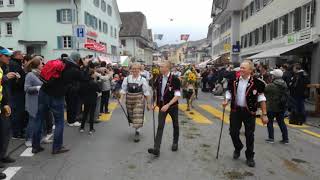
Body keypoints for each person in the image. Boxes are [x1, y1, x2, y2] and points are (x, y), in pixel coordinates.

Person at [32, 52, 83, 154]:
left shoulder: (58, 62)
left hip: (44, 92)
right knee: (59, 122)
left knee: (39, 119)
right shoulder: (74, 70)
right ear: (77, 60)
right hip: (57, 96)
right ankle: (57, 147)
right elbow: (83, 79)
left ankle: (35, 146)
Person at [222, 60, 268, 167]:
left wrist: (264, 114)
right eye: (240, 67)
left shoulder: (258, 83)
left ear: (250, 70)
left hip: (249, 112)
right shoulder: (233, 80)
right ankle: (238, 147)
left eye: (243, 68)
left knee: (249, 135)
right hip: (236, 110)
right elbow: (229, 92)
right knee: (233, 132)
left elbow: (261, 98)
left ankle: (250, 156)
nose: (241, 69)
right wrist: (226, 100)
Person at [148, 61, 181, 157]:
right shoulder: (158, 78)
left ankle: (175, 142)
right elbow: (155, 92)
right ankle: (156, 149)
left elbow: (177, 95)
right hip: (161, 106)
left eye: (162, 66)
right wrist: (154, 103)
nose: (160, 68)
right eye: (160, 67)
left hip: (172, 106)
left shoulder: (175, 79)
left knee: (175, 124)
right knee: (160, 126)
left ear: (167, 68)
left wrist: (168, 104)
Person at [120, 63, 152, 142]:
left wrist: (148, 104)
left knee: (137, 114)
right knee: (132, 116)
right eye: (133, 69)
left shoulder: (143, 79)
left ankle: (137, 132)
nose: (135, 70)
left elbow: (146, 92)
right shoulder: (127, 79)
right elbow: (123, 90)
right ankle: (137, 127)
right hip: (129, 99)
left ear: (139, 70)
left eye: (136, 69)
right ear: (130, 69)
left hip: (139, 99)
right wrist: (121, 99)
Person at [0, 47, 15, 179]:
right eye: (6, 56)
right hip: (2, 104)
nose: (9, 58)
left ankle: (3, 155)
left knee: (5, 131)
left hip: (4, 103)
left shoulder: (5, 67)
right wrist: (5, 78)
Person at [264, 69, 289, 144]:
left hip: (271, 107)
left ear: (274, 76)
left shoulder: (271, 85)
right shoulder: (284, 84)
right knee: (281, 122)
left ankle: (271, 138)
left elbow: (264, 91)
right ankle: (285, 139)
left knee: (270, 122)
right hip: (281, 106)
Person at [24, 56, 44, 147]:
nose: (42, 65)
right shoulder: (30, 75)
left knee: (38, 120)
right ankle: (29, 139)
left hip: (39, 101)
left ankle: (38, 137)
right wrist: (37, 88)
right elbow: (26, 88)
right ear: (37, 65)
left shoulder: (38, 74)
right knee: (32, 121)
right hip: (32, 101)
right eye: (41, 63)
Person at [8, 51, 27, 139]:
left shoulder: (16, 63)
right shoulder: (14, 64)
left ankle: (18, 131)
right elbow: (16, 79)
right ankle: (17, 133)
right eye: (20, 54)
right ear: (16, 56)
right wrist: (20, 83)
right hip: (17, 92)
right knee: (17, 112)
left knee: (18, 112)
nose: (22, 56)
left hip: (16, 91)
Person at [79, 62, 101, 134]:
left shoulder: (84, 82)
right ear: (92, 75)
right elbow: (99, 90)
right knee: (91, 114)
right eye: (94, 73)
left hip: (86, 99)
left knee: (85, 113)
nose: (95, 75)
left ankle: (82, 128)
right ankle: (91, 129)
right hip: (93, 99)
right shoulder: (94, 83)